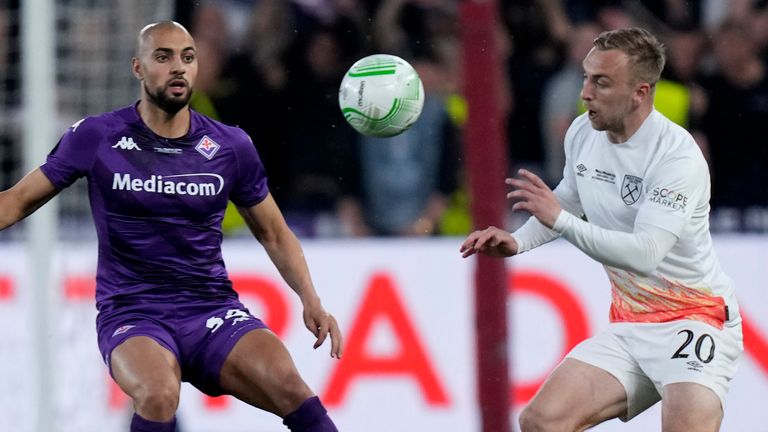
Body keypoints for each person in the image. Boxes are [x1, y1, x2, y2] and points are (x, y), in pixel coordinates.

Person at [0, 21, 342, 432]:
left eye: (188, 57)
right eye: (163, 57)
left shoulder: (231, 146)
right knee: (159, 394)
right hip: (133, 313)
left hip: (212, 309)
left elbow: (273, 232)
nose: (178, 67)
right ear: (138, 68)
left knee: (291, 387)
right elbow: (15, 203)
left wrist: (310, 297)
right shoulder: (97, 136)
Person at [460, 27, 742, 431]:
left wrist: (559, 219)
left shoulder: (676, 157)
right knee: (541, 421)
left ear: (640, 93)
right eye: (586, 77)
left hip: (696, 320)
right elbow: (570, 199)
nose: (585, 92)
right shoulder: (582, 133)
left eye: (601, 82)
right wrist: (518, 241)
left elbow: (645, 253)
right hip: (631, 323)